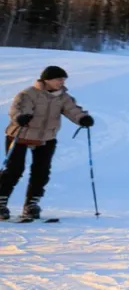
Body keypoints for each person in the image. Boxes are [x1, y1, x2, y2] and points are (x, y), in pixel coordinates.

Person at [2, 65, 93, 222]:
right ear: (47, 80)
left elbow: (72, 110)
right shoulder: (29, 94)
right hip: (20, 135)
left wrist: (83, 119)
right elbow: (17, 109)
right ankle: (1, 201)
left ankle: (31, 204)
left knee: (42, 171)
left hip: (46, 137)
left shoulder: (63, 97)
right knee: (14, 169)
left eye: (63, 80)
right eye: (59, 79)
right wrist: (20, 117)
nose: (62, 82)